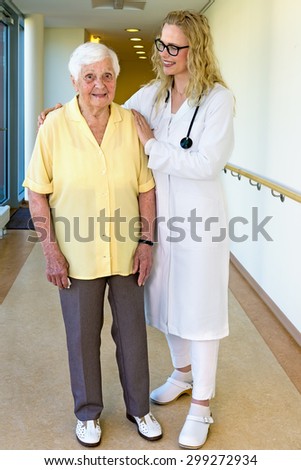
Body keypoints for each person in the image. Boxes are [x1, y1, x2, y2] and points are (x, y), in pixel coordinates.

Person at [38, 10, 234, 450]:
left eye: (172, 47)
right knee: (165, 304)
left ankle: (201, 406)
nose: (163, 53)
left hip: (199, 222)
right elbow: (107, 107)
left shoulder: (217, 99)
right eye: (162, 44)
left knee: (200, 311)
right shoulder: (155, 94)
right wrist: (61, 112)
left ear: (195, 49)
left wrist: (150, 146)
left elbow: (205, 163)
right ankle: (182, 374)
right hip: (159, 220)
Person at [23, 42, 162, 447]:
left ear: (116, 79)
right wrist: (51, 252)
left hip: (125, 250)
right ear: (74, 81)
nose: (99, 85)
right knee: (82, 338)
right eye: (89, 77)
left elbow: (146, 189)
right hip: (76, 254)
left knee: (133, 335)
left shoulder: (131, 122)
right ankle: (87, 414)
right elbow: (37, 194)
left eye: (107, 76)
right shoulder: (53, 127)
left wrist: (146, 241)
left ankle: (140, 409)